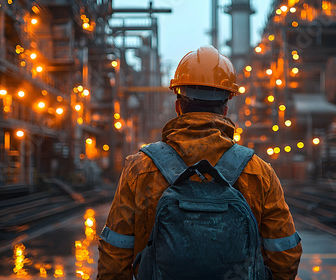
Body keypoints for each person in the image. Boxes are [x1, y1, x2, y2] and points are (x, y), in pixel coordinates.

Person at [97, 45, 302, 280]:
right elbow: (285, 257)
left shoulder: (140, 168)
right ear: (225, 109)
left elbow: (114, 258)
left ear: (178, 106)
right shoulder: (258, 172)